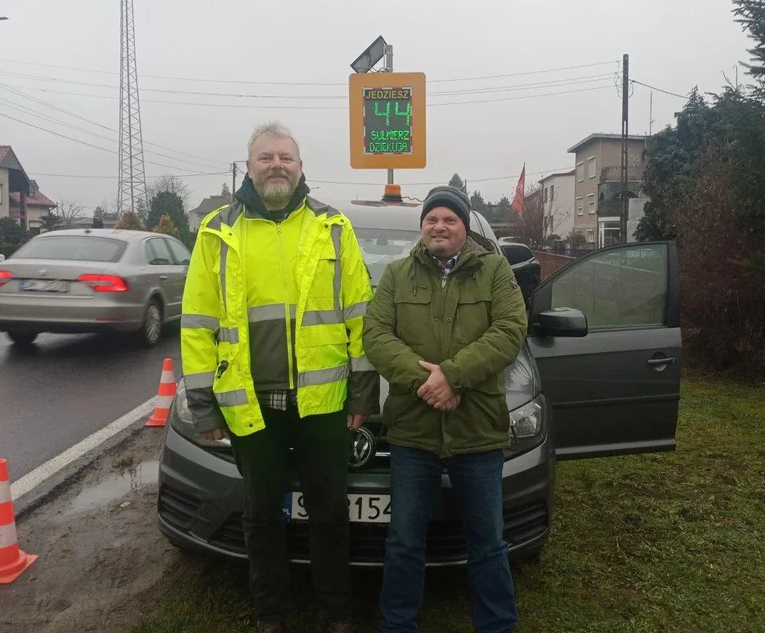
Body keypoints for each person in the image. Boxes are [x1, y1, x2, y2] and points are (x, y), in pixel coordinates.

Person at [181, 122, 378, 633]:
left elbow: (360, 314)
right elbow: (198, 322)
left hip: (324, 403)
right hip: (250, 404)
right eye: (265, 157)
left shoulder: (333, 226)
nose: (276, 165)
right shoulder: (217, 231)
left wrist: (362, 390)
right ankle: (273, 616)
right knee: (262, 515)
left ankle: (336, 613)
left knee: (331, 514)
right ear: (249, 167)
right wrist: (204, 405)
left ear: (300, 166)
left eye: (285, 157)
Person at [363, 186, 528, 633]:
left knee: (488, 543)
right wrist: (430, 384)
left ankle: (496, 625)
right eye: (432, 219)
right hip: (413, 433)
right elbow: (375, 336)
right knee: (403, 542)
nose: (440, 226)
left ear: (464, 226)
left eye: (449, 219)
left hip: (477, 432)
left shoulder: (495, 270)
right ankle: (398, 626)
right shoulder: (397, 275)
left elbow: (511, 329)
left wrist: (453, 376)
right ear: (422, 227)